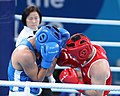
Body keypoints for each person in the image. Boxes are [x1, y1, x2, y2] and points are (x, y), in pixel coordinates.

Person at [8, 25, 70, 96]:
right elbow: (37, 79)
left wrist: (56, 53)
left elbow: (48, 73)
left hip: (36, 91)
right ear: (41, 38)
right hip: (21, 92)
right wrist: (47, 60)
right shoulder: (24, 54)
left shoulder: (38, 46)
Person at [15, 5, 57, 96]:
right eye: (30, 18)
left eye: (36, 18)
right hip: (29, 74)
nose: (34, 21)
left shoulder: (40, 33)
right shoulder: (24, 37)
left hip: (39, 70)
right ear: (25, 20)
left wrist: (50, 75)